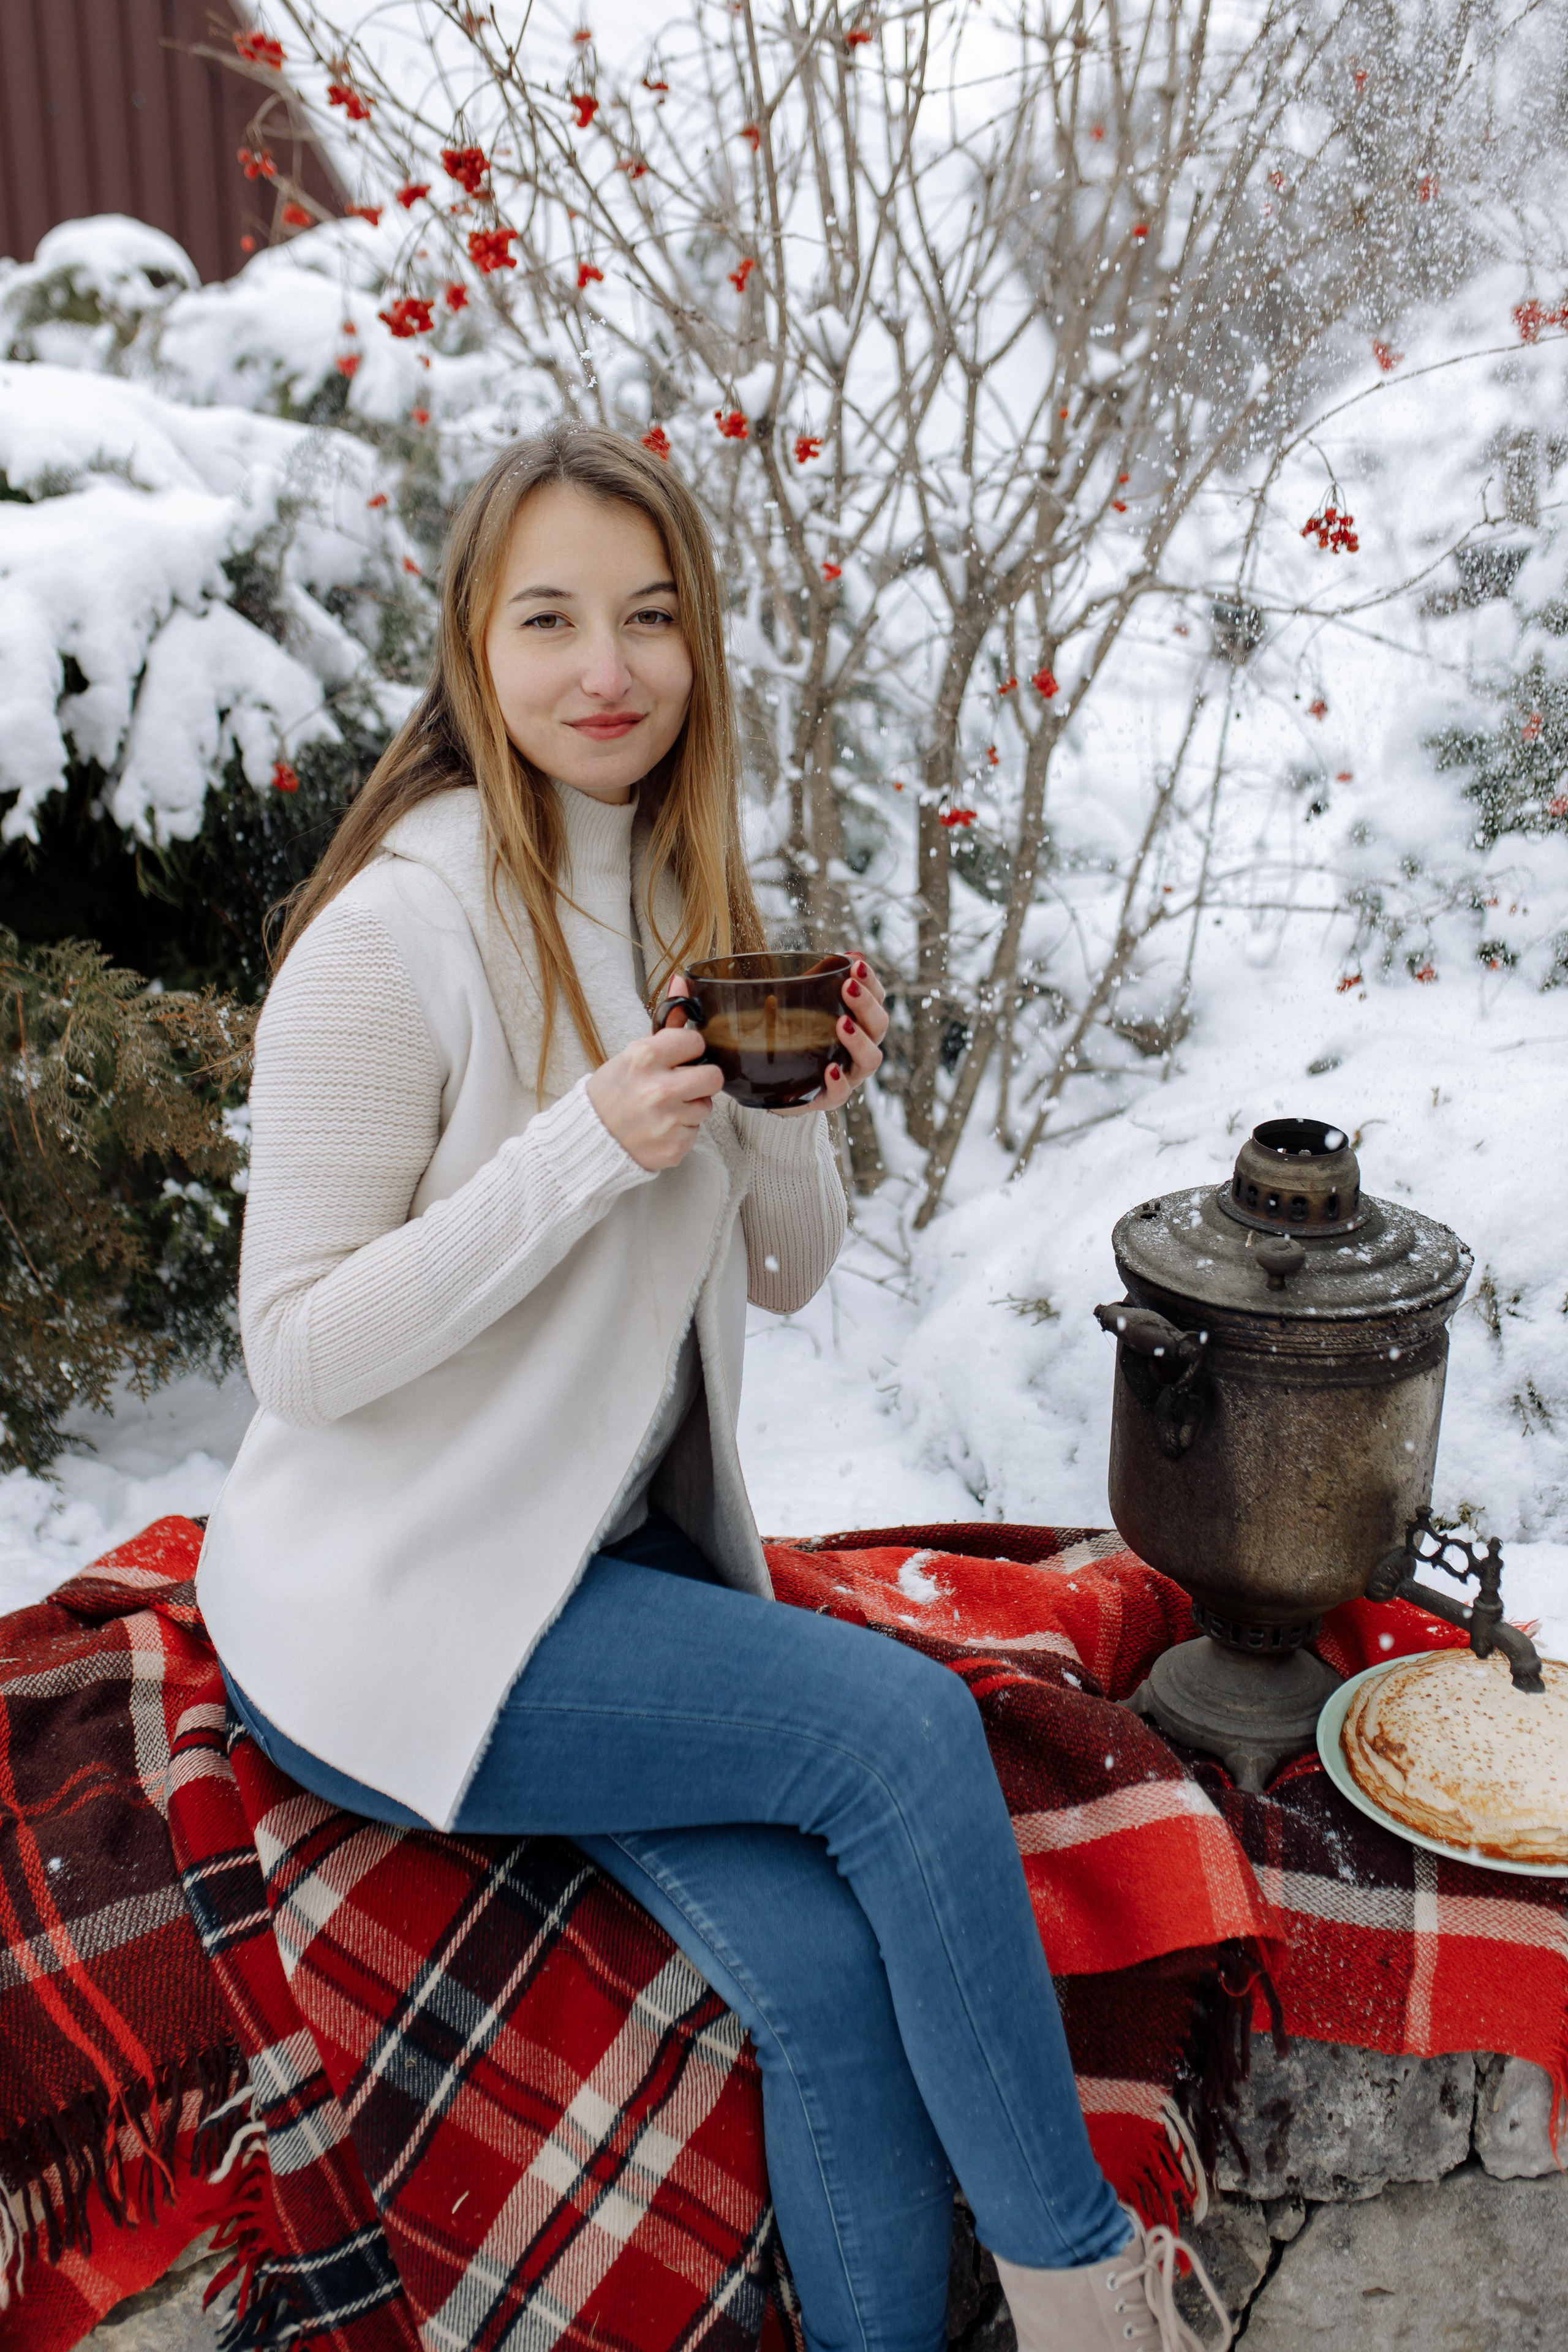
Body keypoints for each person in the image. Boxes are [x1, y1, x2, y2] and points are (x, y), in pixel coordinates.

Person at [197, 423, 1226, 2352]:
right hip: (400, 1608)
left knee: (831, 1980)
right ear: (472, 649)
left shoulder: (678, 894)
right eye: (555, 618)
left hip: (592, 1572)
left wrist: (783, 1123)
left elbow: (784, 1268)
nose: (612, 668)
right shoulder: (392, 938)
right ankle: (1101, 2307)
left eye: (653, 616)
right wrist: (588, 1139)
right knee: (900, 1740)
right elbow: (299, 1348)